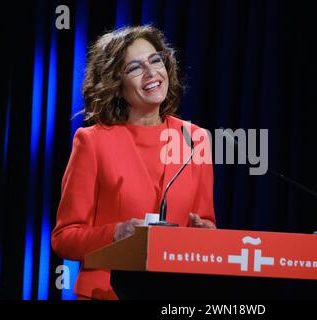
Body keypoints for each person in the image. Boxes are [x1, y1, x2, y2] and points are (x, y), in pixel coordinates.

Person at [51, 25, 216, 300]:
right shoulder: (92, 142)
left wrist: (207, 233)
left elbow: (207, 222)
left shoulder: (194, 139)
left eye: (156, 60)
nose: (152, 74)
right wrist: (117, 233)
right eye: (135, 68)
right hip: (107, 292)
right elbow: (64, 238)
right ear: (116, 84)